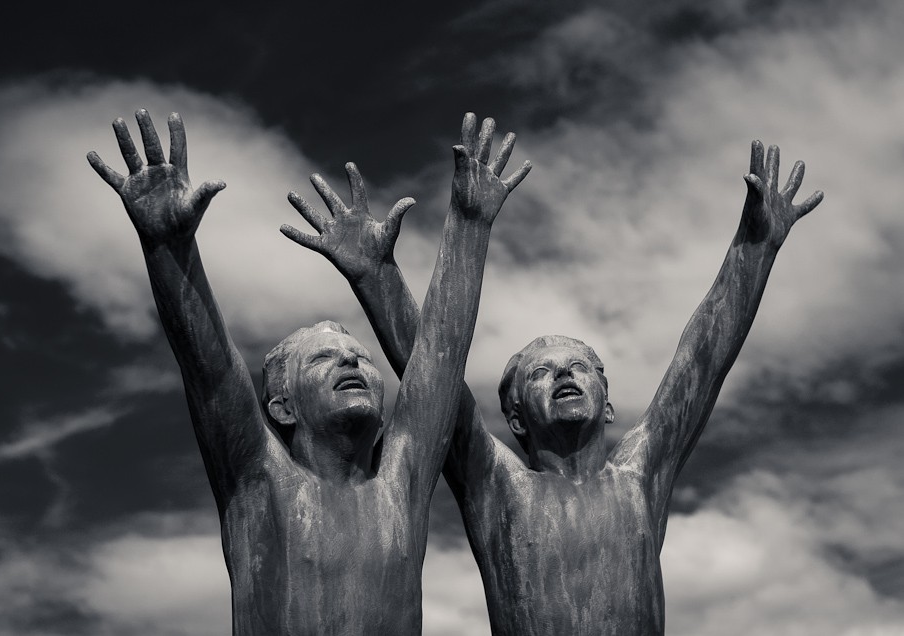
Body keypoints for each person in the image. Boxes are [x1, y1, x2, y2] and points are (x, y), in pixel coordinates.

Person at [285, 137, 823, 634]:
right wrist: (377, 279)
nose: (564, 374)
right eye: (542, 373)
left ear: (609, 406)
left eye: (579, 367)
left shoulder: (638, 478)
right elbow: (434, 371)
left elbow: (701, 363)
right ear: (516, 419)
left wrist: (755, 249)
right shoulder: (496, 487)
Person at [87, 110, 530, 634]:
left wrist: (470, 223)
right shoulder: (260, 481)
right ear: (281, 407)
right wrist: (169, 248)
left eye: (363, 358)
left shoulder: (400, 486)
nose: (352, 361)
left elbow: (438, 357)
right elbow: (208, 368)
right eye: (324, 359)